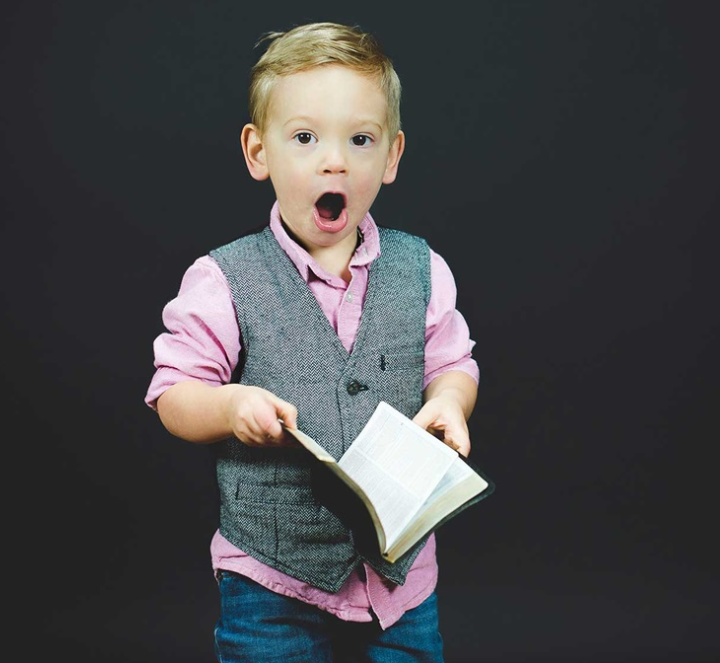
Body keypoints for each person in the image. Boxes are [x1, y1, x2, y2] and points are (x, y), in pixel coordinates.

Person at [144, 21, 479, 663]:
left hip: (399, 582)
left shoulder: (422, 268)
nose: (335, 160)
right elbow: (172, 394)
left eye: (360, 139)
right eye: (304, 138)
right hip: (271, 580)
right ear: (257, 152)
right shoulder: (224, 279)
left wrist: (451, 402)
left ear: (392, 156)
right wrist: (228, 406)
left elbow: (453, 362)